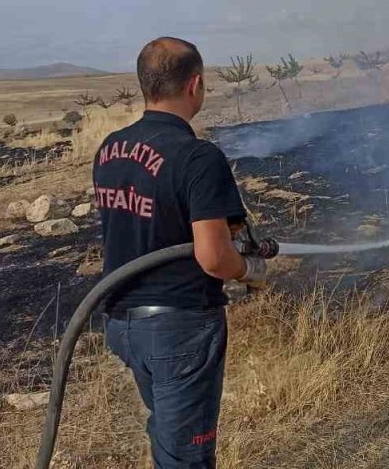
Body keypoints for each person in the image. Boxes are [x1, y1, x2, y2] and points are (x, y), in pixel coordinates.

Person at [93, 36, 265, 468]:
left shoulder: (110, 149)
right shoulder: (198, 157)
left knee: (168, 436)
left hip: (124, 322)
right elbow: (213, 257)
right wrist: (251, 269)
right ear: (196, 84)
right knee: (187, 456)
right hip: (178, 328)